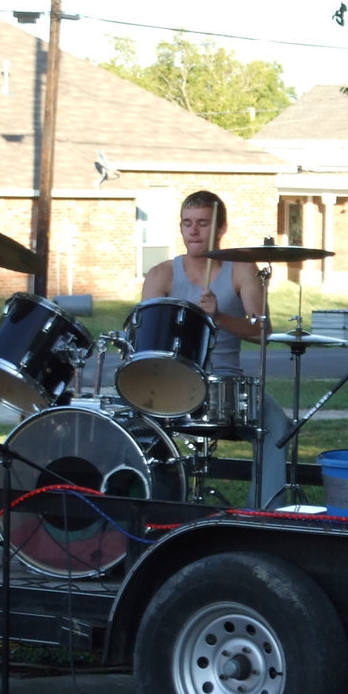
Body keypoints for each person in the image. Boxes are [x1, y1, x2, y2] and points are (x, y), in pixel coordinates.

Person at [140, 190, 289, 510]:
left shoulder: (241, 269)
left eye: (203, 223)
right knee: (137, 424)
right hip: (173, 382)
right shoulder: (161, 274)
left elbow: (263, 331)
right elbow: (145, 340)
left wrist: (218, 317)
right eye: (187, 223)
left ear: (221, 229)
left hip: (226, 385)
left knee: (277, 425)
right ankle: (159, 511)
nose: (193, 231)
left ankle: (264, 518)